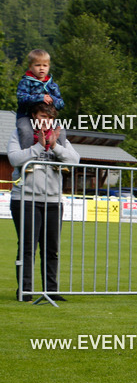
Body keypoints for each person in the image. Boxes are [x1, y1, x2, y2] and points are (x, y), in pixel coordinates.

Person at [8, 102, 79, 301]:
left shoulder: (59, 137)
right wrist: (38, 145)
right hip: (25, 199)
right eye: (41, 117)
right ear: (33, 117)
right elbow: (14, 159)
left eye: (48, 118)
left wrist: (55, 146)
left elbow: (74, 160)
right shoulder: (20, 136)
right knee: (28, 247)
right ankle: (25, 291)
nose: (45, 121)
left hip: (54, 201)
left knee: (52, 249)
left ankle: (51, 291)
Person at [16, 50, 65, 149]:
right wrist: (40, 97)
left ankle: (59, 157)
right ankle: (28, 156)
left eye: (45, 65)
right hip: (26, 116)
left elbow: (61, 104)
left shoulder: (52, 85)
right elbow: (21, 98)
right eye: (38, 65)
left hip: (47, 118)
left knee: (61, 131)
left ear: (49, 67)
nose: (41, 68)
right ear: (30, 67)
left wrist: (52, 99)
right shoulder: (25, 82)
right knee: (25, 131)